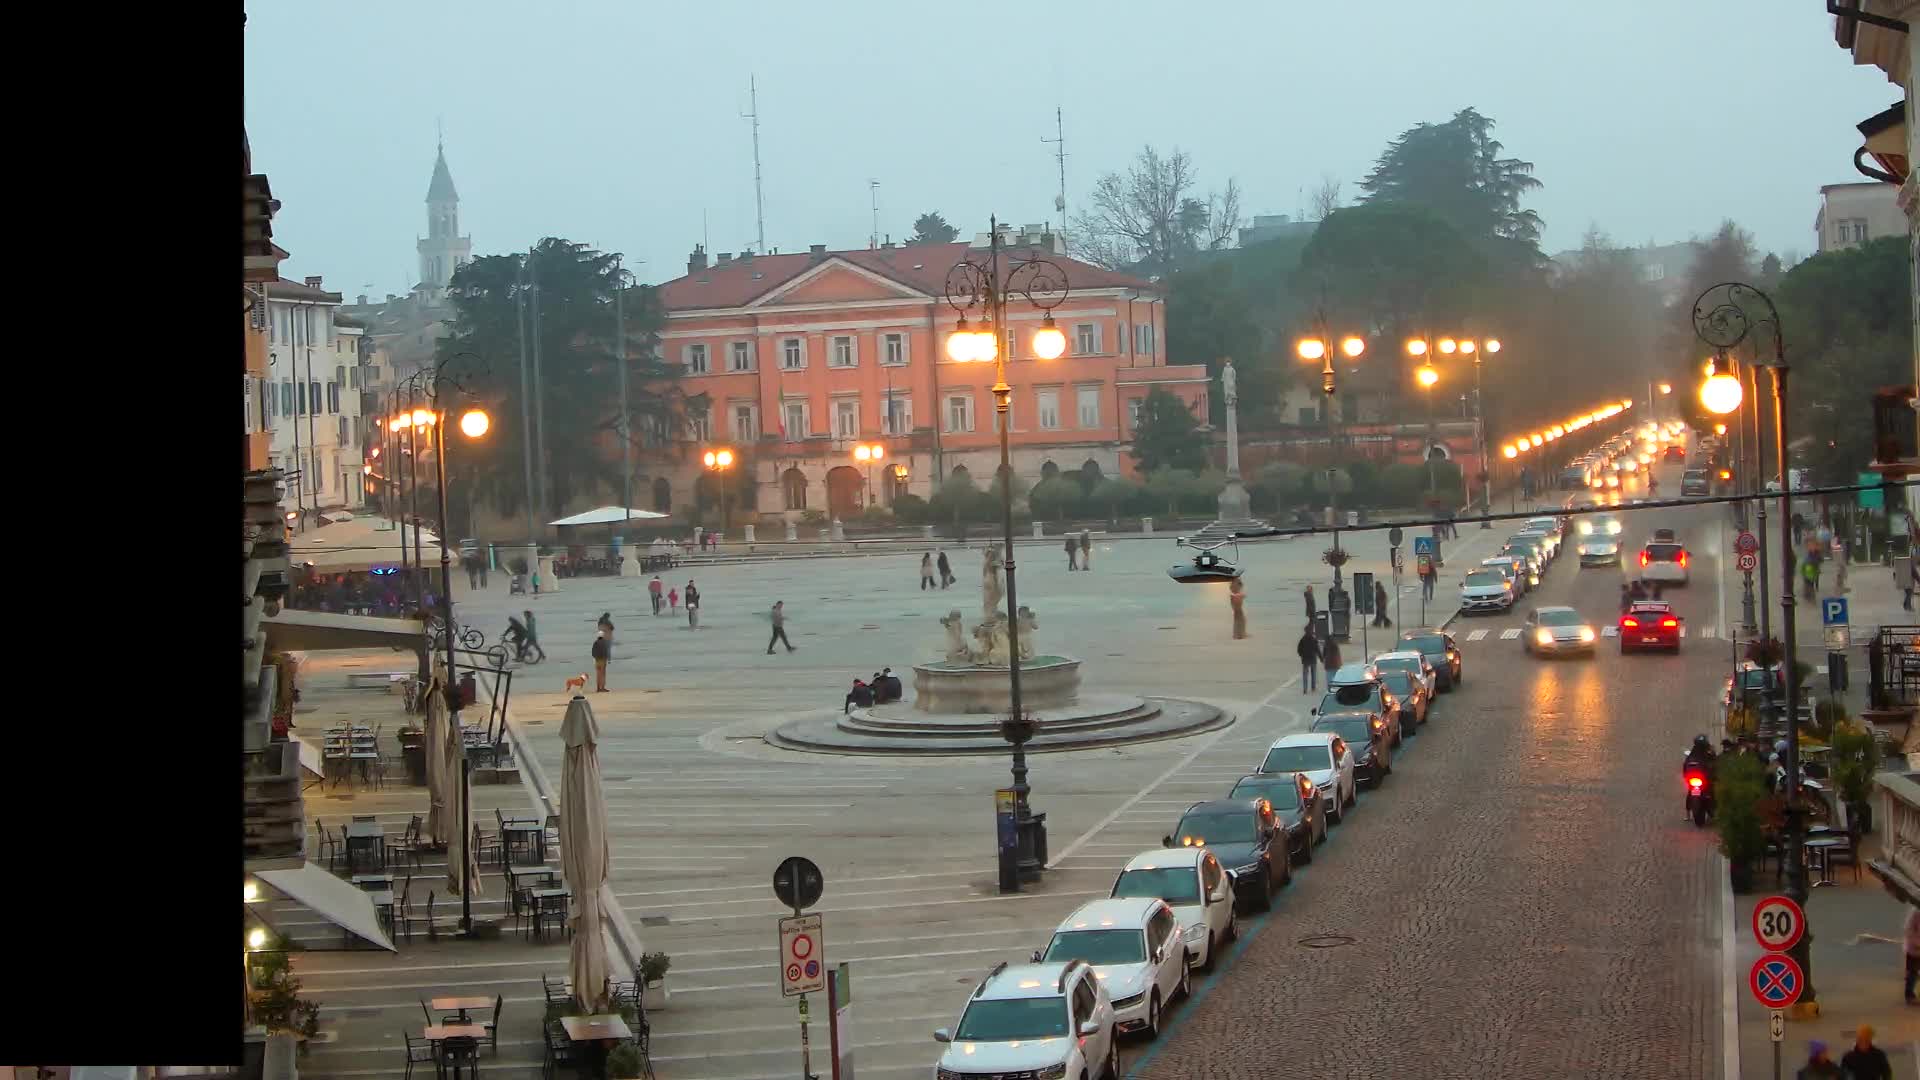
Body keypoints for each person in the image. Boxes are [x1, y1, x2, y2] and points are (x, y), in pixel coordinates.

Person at [1296, 626, 1320, 693]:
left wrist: (1302, 655)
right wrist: (1321, 658)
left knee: (1305, 675)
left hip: (1305, 659)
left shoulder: (1303, 639)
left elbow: (1299, 650)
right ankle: (1313, 688)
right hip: (1313, 659)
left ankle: (1305, 689)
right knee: (1313, 674)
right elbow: (1317, 649)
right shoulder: (1314, 639)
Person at [591, 627, 612, 693]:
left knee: (598, 674)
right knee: (603, 674)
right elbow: (606, 651)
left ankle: (598, 688)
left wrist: (594, 658)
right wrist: (609, 659)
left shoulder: (595, 642)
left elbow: (593, 652)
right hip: (603, 660)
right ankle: (602, 688)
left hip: (597, 660)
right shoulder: (605, 642)